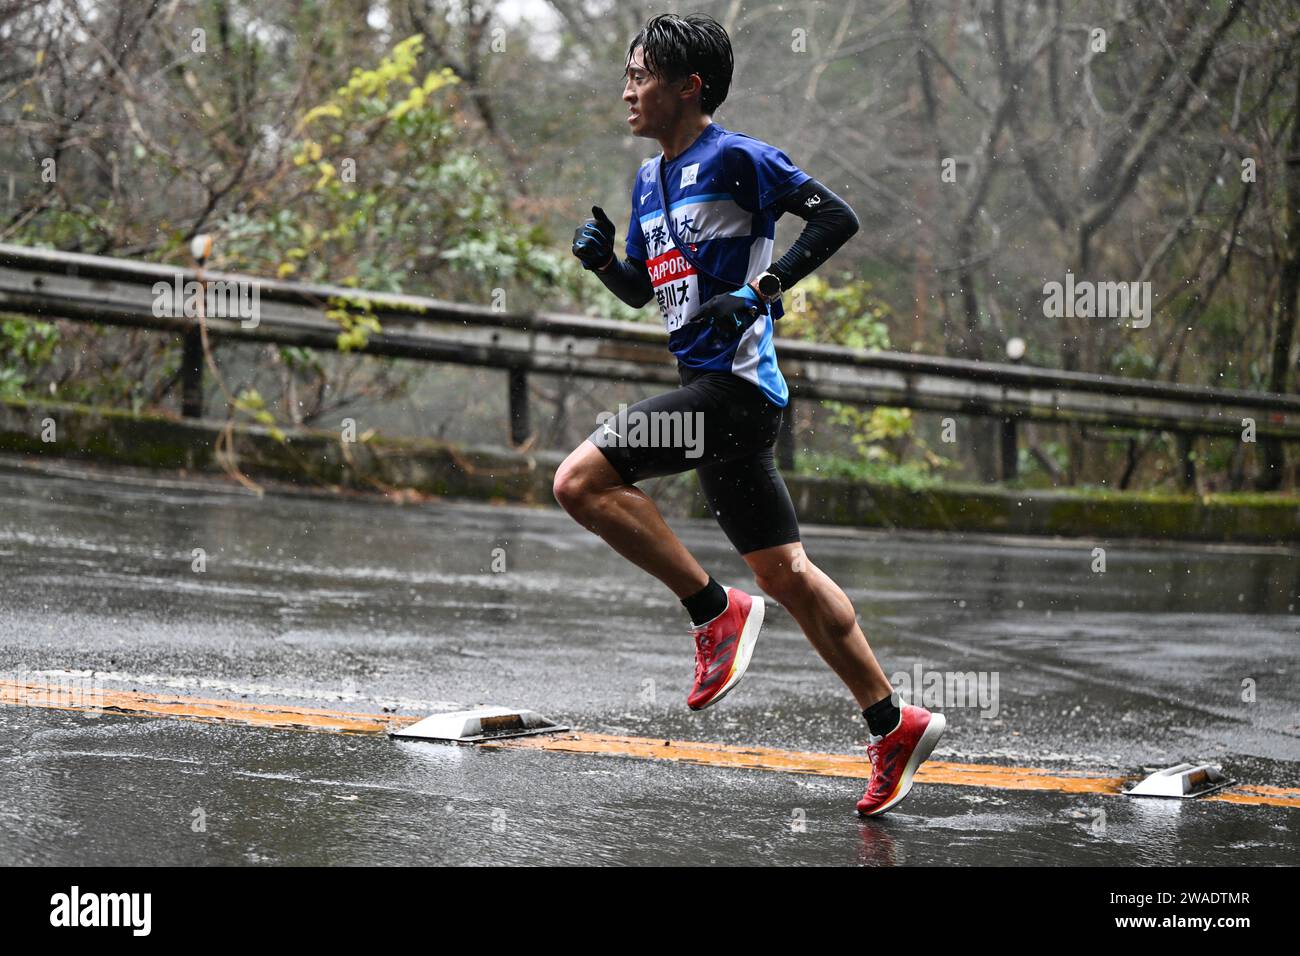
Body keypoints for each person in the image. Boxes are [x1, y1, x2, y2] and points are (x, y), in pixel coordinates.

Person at [559, 12, 944, 817]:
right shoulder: (648, 178)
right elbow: (647, 288)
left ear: (688, 86)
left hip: (734, 393)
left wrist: (765, 291)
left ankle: (716, 612)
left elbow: (837, 217)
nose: (627, 89)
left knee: (581, 481)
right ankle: (893, 722)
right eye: (627, 75)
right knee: (788, 573)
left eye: (641, 75)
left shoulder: (738, 158)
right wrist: (605, 266)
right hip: (723, 400)